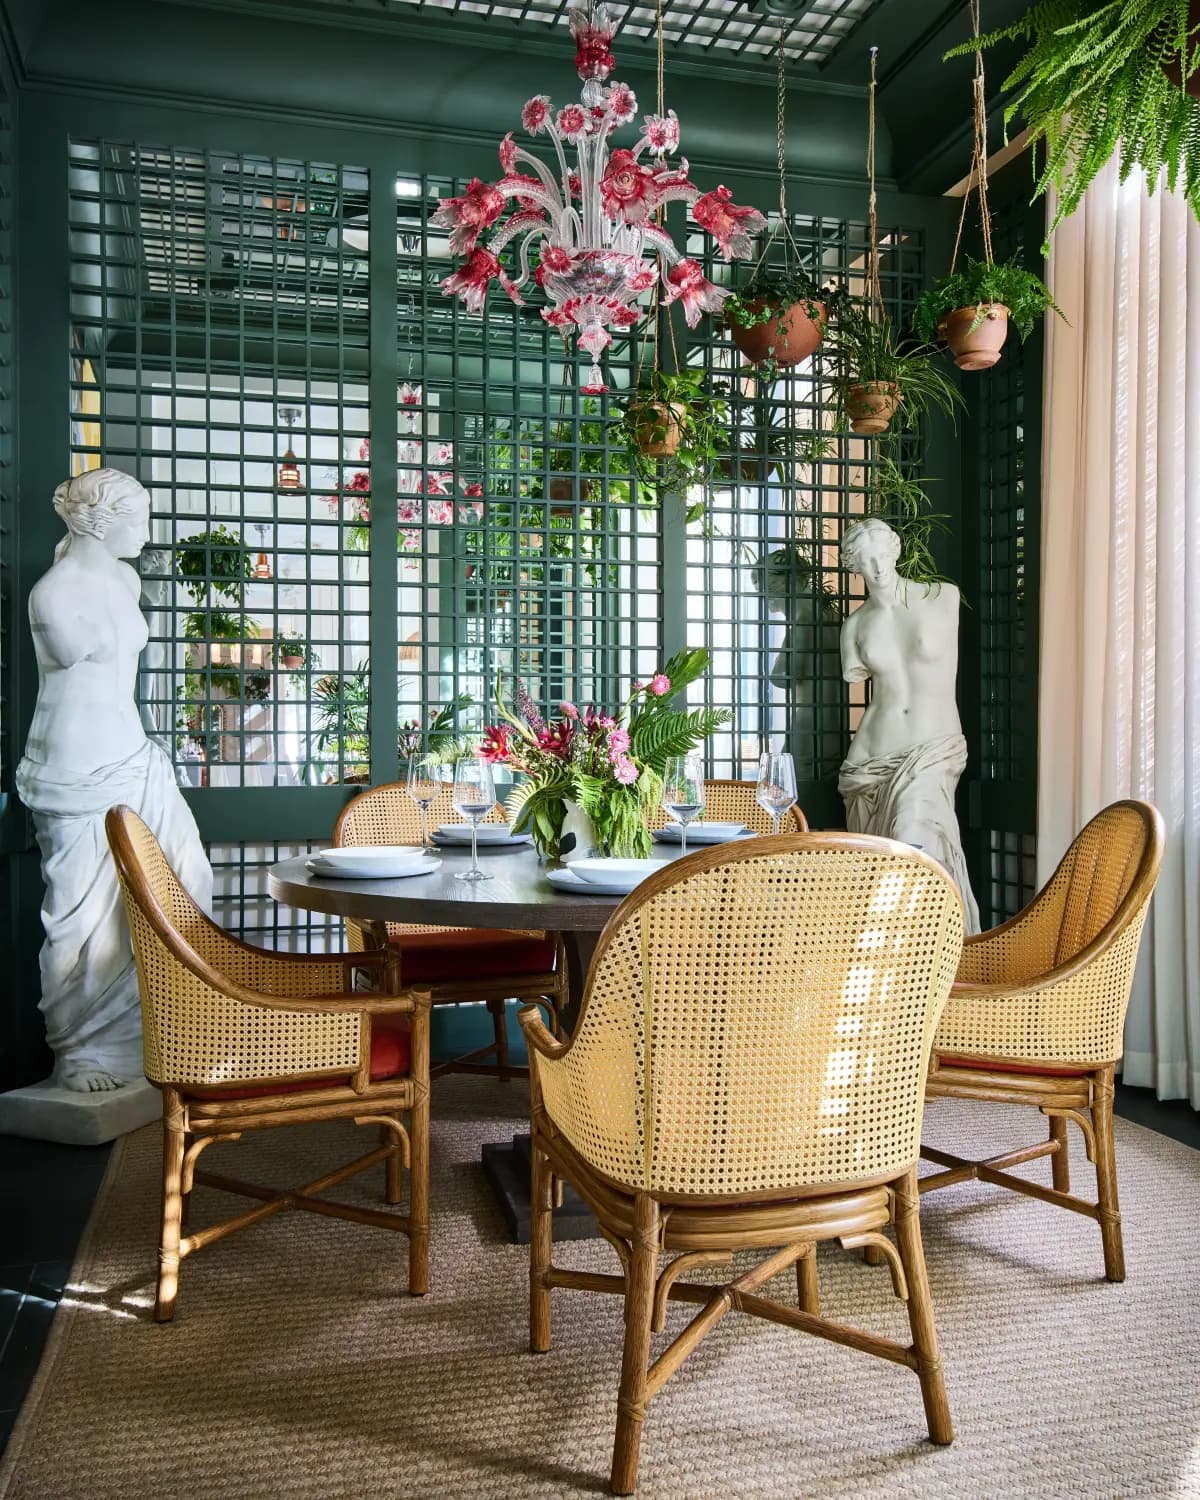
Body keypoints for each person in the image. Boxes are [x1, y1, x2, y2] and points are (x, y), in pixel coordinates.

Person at [17, 469, 212, 1092]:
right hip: (75, 766)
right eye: (140, 518)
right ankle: (79, 1051)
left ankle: (160, 1028)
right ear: (102, 523)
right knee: (80, 914)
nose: (147, 532)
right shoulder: (54, 593)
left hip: (134, 755)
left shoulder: (124, 578)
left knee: (189, 877)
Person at [837, 517, 980, 932]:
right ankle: (894, 975)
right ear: (854, 566)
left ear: (896, 551)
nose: (878, 568)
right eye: (867, 561)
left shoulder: (943, 597)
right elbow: (861, 679)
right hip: (870, 759)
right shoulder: (856, 627)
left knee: (914, 839)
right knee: (877, 870)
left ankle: (938, 960)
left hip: (932, 749)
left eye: (882, 555)